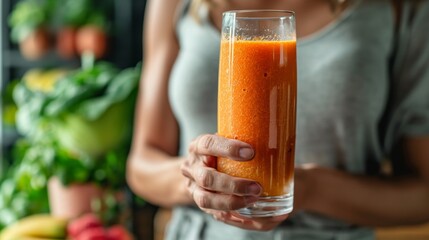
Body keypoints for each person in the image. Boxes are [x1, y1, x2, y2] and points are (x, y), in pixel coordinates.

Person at [126, 0, 429, 239]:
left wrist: (308, 188)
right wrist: (195, 180)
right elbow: (141, 164)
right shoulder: (176, 4)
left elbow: (422, 194)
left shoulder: (400, 7)